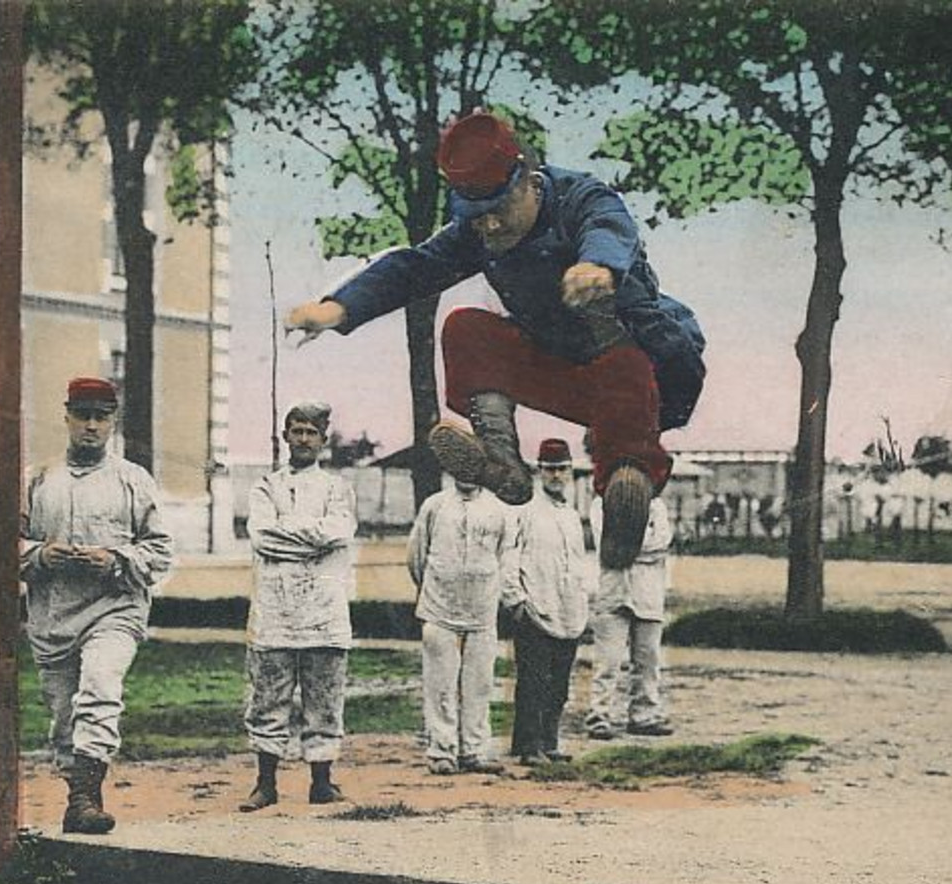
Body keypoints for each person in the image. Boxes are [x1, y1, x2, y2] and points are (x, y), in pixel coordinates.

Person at [285, 111, 707, 571]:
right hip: (555, 372)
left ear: (526, 179)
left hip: (642, 377)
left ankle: (628, 485)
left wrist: (598, 266)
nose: (488, 228)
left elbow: (608, 225)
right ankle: (502, 459)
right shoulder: (477, 234)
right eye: (476, 218)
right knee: (465, 326)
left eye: (498, 213)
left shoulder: (578, 197)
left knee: (622, 361)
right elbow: (412, 267)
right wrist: (336, 309)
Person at [21, 377, 173, 834]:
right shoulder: (38, 478)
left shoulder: (133, 480)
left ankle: (87, 798)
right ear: (66, 416)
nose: (91, 426)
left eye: (100, 417)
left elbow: (160, 551)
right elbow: (3, 542)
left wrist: (115, 559)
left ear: (113, 422)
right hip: (52, 614)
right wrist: (38, 555)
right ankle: (76, 797)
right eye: (82, 415)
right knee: (65, 712)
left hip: (114, 608)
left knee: (100, 687)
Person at [240, 402, 357, 811]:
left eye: (312, 432)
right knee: (268, 698)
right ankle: (266, 782)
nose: (304, 439)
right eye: (297, 431)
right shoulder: (265, 487)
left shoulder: (338, 488)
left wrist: (293, 533)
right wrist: (314, 538)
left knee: (323, 698)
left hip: (325, 610)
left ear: (323, 440)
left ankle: (321, 782)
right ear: (286, 436)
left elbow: (339, 531)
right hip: (276, 609)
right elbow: (262, 537)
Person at [407, 473, 511, 776]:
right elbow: (417, 556)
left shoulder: (497, 509)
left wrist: (491, 592)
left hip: (482, 611)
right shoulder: (435, 506)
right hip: (440, 608)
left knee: (479, 684)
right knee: (440, 682)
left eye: (472, 464)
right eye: (459, 464)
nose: (466, 471)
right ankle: (441, 751)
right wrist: (434, 588)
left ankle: (474, 750)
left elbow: (503, 557)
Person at [503, 438, 593, 765]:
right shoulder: (524, 514)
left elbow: (579, 565)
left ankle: (549, 742)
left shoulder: (570, 517)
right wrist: (518, 602)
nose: (556, 476)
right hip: (535, 609)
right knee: (533, 682)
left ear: (570, 471)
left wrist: (583, 603)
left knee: (559, 685)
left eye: (561, 469)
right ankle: (528, 747)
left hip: (568, 611)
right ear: (538, 471)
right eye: (549, 469)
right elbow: (508, 560)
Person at [587, 492, 674, 739]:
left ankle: (644, 715)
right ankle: (599, 717)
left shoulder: (657, 505)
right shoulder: (601, 503)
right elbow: (606, 543)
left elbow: (662, 543)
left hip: (649, 593)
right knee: (608, 661)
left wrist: (627, 545)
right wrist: (636, 546)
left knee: (648, 660)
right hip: (613, 593)